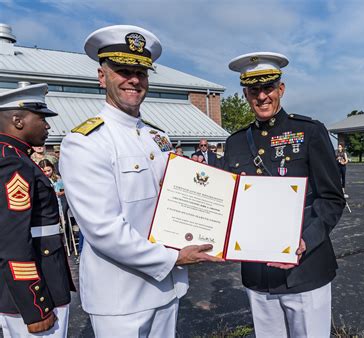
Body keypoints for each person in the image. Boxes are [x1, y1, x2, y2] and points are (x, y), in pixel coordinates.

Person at [59, 25, 222, 337]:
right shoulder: (86, 142)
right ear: (101, 76)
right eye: (122, 70)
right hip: (121, 296)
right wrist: (175, 256)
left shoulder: (156, 136)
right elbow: (104, 230)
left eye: (141, 72)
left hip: (167, 287)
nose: (134, 79)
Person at [223, 52, 346, 337]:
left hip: (306, 269)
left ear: (281, 89)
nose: (262, 96)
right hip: (257, 274)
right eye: (254, 90)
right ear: (245, 94)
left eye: (268, 88)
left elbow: (332, 199)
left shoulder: (309, 132)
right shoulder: (236, 142)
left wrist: (306, 241)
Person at [0, 83, 75, 337]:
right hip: (36, 289)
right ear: (18, 120)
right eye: (41, 118)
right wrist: (36, 306)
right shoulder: (14, 163)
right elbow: (12, 241)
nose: (48, 126)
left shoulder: (13, 156)